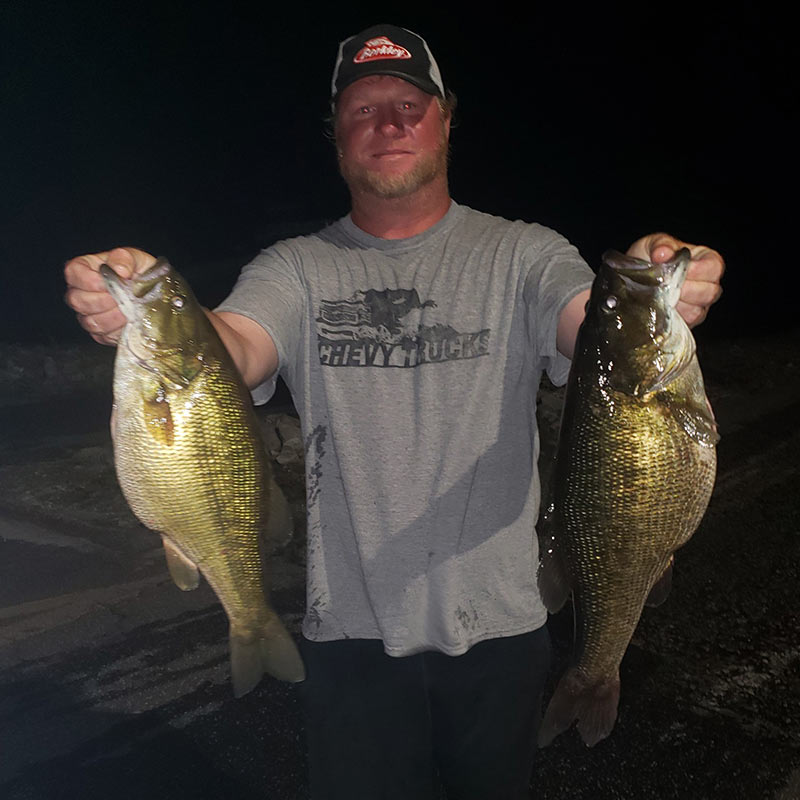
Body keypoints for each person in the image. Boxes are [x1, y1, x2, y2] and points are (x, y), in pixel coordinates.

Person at [64, 24, 724, 800]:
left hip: (503, 626)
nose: (389, 123)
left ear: (447, 118)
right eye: (363, 108)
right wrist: (146, 306)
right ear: (336, 135)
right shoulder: (295, 267)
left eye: (409, 103)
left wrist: (649, 284)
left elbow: (591, 328)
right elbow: (232, 351)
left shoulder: (525, 253)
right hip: (350, 632)